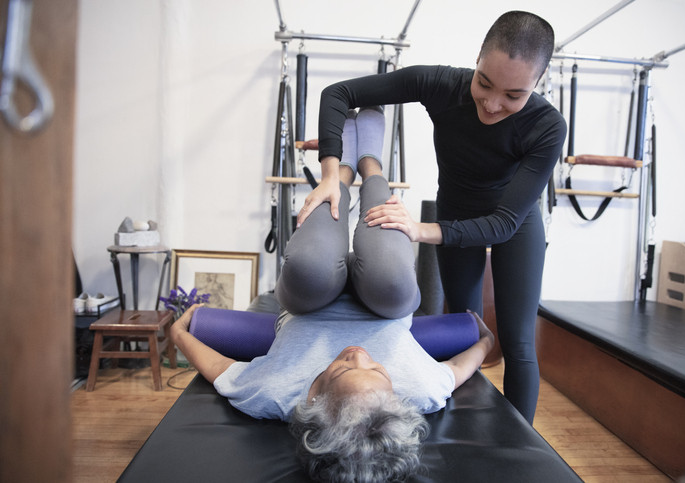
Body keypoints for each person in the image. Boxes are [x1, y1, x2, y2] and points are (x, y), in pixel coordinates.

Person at [170, 107, 495, 483]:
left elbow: (219, 369)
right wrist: (486, 342)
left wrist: (179, 334)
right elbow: (456, 370)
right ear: (395, 397)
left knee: (309, 267)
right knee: (392, 278)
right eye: (377, 369)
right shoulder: (418, 389)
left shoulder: (276, 392)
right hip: (383, 302)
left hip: (311, 300)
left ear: (314, 401)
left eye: (340, 369)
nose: (358, 355)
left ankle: (341, 173)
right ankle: (371, 164)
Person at [296, 11, 566, 424]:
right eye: (484, 83)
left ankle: (522, 454)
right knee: (465, 330)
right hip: (455, 209)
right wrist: (331, 174)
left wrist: (420, 230)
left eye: (513, 95)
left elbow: (503, 224)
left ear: (539, 82)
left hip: (514, 223)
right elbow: (338, 93)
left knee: (518, 345)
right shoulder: (441, 85)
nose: (492, 104)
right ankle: (460, 431)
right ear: (476, 60)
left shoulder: (547, 126)